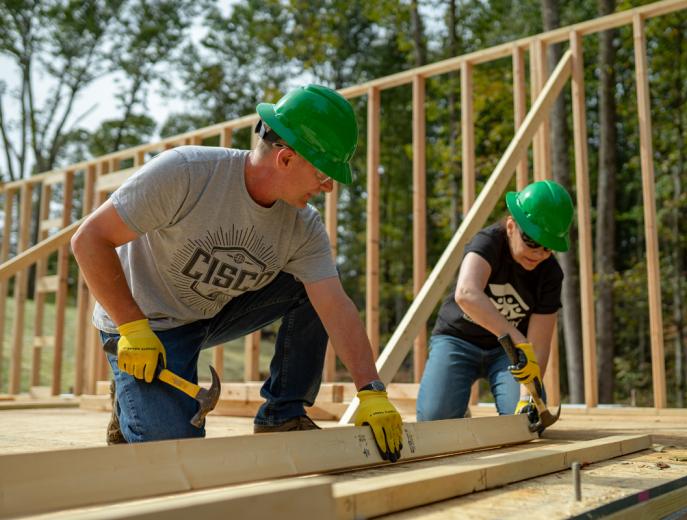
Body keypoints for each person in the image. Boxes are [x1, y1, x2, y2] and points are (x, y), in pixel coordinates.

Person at [71, 84, 403, 461]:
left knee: (313, 284)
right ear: (287, 159)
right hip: (147, 325)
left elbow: (335, 305)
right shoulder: (187, 173)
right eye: (323, 173)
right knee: (171, 451)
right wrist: (131, 326)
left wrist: (371, 390)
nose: (327, 187)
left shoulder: (303, 227)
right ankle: (129, 398)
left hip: (211, 312)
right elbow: (89, 240)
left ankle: (283, 413)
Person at [416, 180, 574, 422]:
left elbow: (539, 344)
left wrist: (527, 397)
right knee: (435, 420)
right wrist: (516, 337)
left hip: (507, 355)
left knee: (524, 422)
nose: (539, 252)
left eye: (548, 246)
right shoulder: (488, 242)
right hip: (458, 340)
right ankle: (456, 407)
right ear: (511, 226)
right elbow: (466, 294)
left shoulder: (551, 274)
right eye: (531, 240)